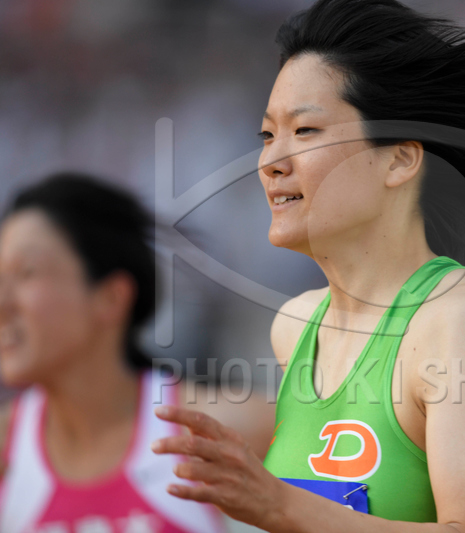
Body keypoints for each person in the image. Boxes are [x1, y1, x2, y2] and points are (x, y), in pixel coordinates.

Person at [151, 0, 465, 531]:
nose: (270, 162)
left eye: (304, 131)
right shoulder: (294, 326)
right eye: (267, 136)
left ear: (400, 159)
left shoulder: (459, 321)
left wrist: (282, 507)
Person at [0, 173, 273, 532]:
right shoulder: (6, 451)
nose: (3, 301)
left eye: (26, 273)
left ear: (111, 297)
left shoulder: (228, 431)